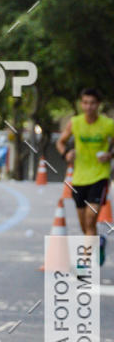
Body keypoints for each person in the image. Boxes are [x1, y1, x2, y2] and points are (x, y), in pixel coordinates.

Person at [56, 87, 114, 266]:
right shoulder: (75, 122)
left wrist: (110, 155)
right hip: (79, 179)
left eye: (92, 103)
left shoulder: (108, 124)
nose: (89, 107)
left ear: (98, 105)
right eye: (86, 103)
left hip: (99, 176)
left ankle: (84, 263)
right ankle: (100, 242)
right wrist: (66, 153)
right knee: (85, 225)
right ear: (81, 104)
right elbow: (60, 141)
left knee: (91, 218)